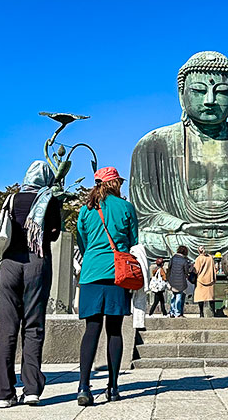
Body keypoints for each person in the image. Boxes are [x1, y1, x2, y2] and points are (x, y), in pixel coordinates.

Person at [0, 161, 61, 408]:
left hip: (10, 264)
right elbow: (54, 234)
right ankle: (31, 389)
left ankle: (4, 393)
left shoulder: (12, 199)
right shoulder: (50, 200)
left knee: (7, 328)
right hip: (37, 262)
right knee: (33, 326)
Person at [75, 167, 138, 406]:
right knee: (114, 330)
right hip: (117, 274)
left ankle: (83, 386)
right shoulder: (126, 207)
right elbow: (134, 240)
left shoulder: (86, 209)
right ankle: (113, 387)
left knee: (91, 329)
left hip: (91, 272)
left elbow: (83, 242)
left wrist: (94, 255)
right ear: (116, 184)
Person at [167, 246, 193, 318]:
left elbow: (169, 268)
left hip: (172, 280)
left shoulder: (172, 259)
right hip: (181, 281)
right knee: (179, 297)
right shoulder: (184, 260)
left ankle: (172, 312)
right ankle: (177, 313)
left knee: (173, 297)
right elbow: (186, 271)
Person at [193, 246, 217, 318]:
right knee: (210, 297)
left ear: (198, 251)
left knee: (200, 298)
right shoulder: (210, 258)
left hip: (200, 280)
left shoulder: (198, 259)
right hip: (210, 279)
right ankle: (213, 312)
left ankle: (201, 313)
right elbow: (214, 268)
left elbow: (196, 270)